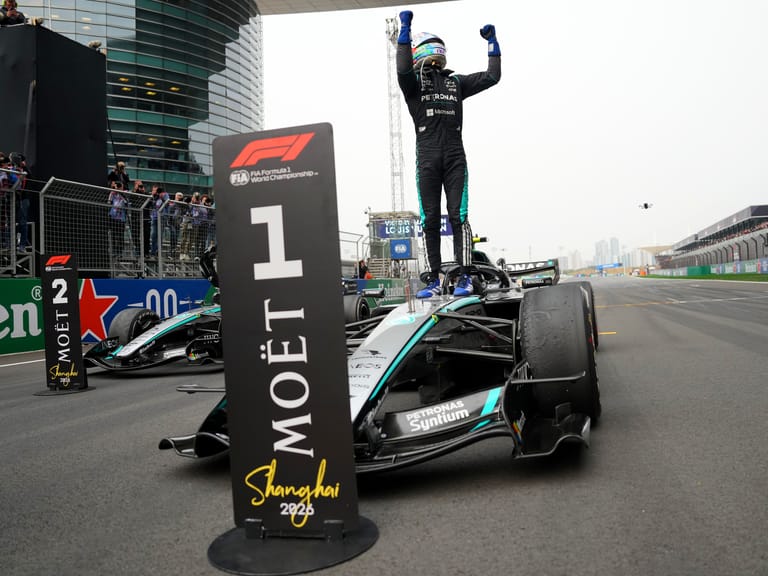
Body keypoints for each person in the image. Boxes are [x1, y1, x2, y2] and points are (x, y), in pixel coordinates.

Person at [396, 10, 501, 298]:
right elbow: (403, 68)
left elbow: (492, 76)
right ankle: (432, 280)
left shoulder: (456, 82)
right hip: (427, 159)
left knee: (459, 217)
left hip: (456, 159)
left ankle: (465, 277)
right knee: (430, 219)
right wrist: (404, 29)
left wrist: (493, 43)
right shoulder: (413, 85)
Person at [107, 181, 128, 259]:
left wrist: (120, 192)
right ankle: (114, 252)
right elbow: (108, 202)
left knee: (120, 236)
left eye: (118, 186)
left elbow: (126, 202)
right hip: (113, 217)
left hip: (121, 219)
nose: (116, 188)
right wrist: (112, 192)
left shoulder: (124, 193)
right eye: (116, 186)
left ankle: (120, 252)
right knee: (113, 235)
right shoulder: (113, 193)